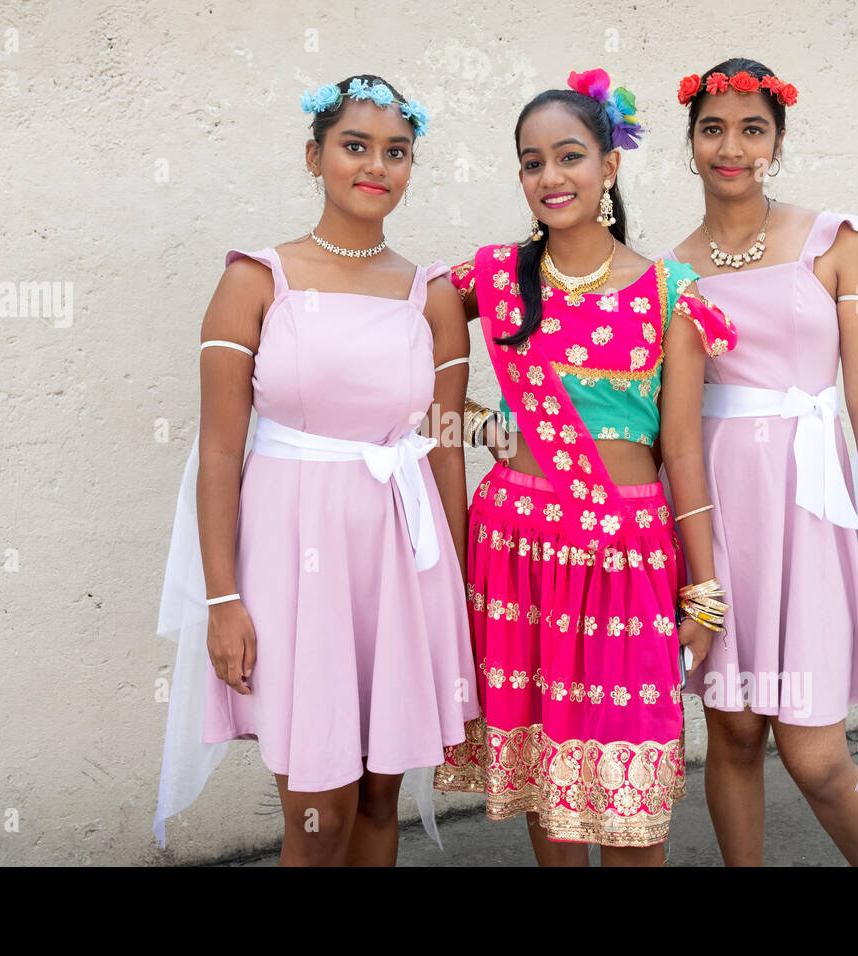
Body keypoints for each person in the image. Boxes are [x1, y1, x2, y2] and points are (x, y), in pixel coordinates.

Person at [152, 74, 479, 865]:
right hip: (294, 567)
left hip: (400, 563)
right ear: (314, 156)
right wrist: (223, 598)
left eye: (396, 152)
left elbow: (442, 444)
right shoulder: (257, 281)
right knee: (318, 811)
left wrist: (461, 592)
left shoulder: (430, 296)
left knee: (377, 798)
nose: (377, 166)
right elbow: (223, 451)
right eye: (355, 146)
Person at [433, 68, 737, 865]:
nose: (550, 177)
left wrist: (701, 592)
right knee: (550, 771)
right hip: (516, 544)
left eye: (569, 156)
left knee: (630, 783)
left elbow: (681, 453)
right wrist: (479, 425)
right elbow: (417, 316)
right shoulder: (495, 277)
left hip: (624, 549)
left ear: (610, 164)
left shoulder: (672, 293)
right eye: (532, 162)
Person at [664, 58, 858, 865]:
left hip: (813, 519)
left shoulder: (839, 245)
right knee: (735, 734)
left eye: (752, 129)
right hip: (720, 520)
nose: (732, 147)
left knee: (815, 756)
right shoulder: (673, 272)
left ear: (776, 141)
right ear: (691, 143)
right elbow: (670, 426)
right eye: (714, 129)